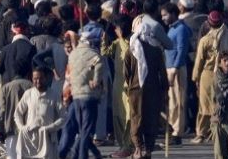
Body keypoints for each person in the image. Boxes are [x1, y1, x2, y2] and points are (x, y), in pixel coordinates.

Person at [191, 11, 228, 144]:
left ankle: (201, 133)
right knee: (222, 103)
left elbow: (199, 61)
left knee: (204, 105)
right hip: (226, 73)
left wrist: (195, 78)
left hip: (208, 75)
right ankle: (219, 132)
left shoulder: (205, 40)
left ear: (208, 23)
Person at [124, 19, 169, 158]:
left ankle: (138, 148)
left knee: (136, 117)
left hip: (135, 91)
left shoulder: (131, 50)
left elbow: (126, 73)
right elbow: (162, 73)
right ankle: (148, 149)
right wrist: (165, 90)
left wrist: (130, 86)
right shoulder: (156, 50)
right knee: (151, 118)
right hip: (153, 90)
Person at [58, 27, 104, 159]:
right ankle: (81, 156)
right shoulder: (94, 55)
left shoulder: (73, 55)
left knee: (81, 129)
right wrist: (96, 81)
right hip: (89, 97)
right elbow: (99, 69)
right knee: (86, 131)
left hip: (75, 96)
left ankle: (87, 154)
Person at [13, 67, 66, 159]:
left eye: (40, 78)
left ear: (46, 78)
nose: (38, 81)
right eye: (35, 79)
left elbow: (63, 117)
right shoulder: (28, 93)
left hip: (48, 139)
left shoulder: (54, 94)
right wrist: (22, 127)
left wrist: (49, 128)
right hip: (29, 140)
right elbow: (17, 113)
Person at [102, 15, 133, 158]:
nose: (115, 30)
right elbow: (105, 52)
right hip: (118, 85)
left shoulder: (132, 43)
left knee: (128, 116)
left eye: (117, 28)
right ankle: (122, 145)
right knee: (117, 115)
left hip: (129, 85)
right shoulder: (117, 43)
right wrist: (104, 39)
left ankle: (128, 145)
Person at [162, 3, 192, 146]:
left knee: (178, 101)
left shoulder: (180, 29)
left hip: (177, 68)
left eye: (165, 15)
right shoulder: (172, 28)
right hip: (170, 67)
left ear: (173, 14)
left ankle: (177, 132)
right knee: (172, 101)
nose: (163, 18)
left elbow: (181, 49)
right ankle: (173, 128)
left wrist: (174, 68)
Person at [0, 58, 33, 158]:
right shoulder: (31, 86)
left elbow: (2, 111)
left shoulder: (5, 88)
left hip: (11, 130)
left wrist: (0, 129)